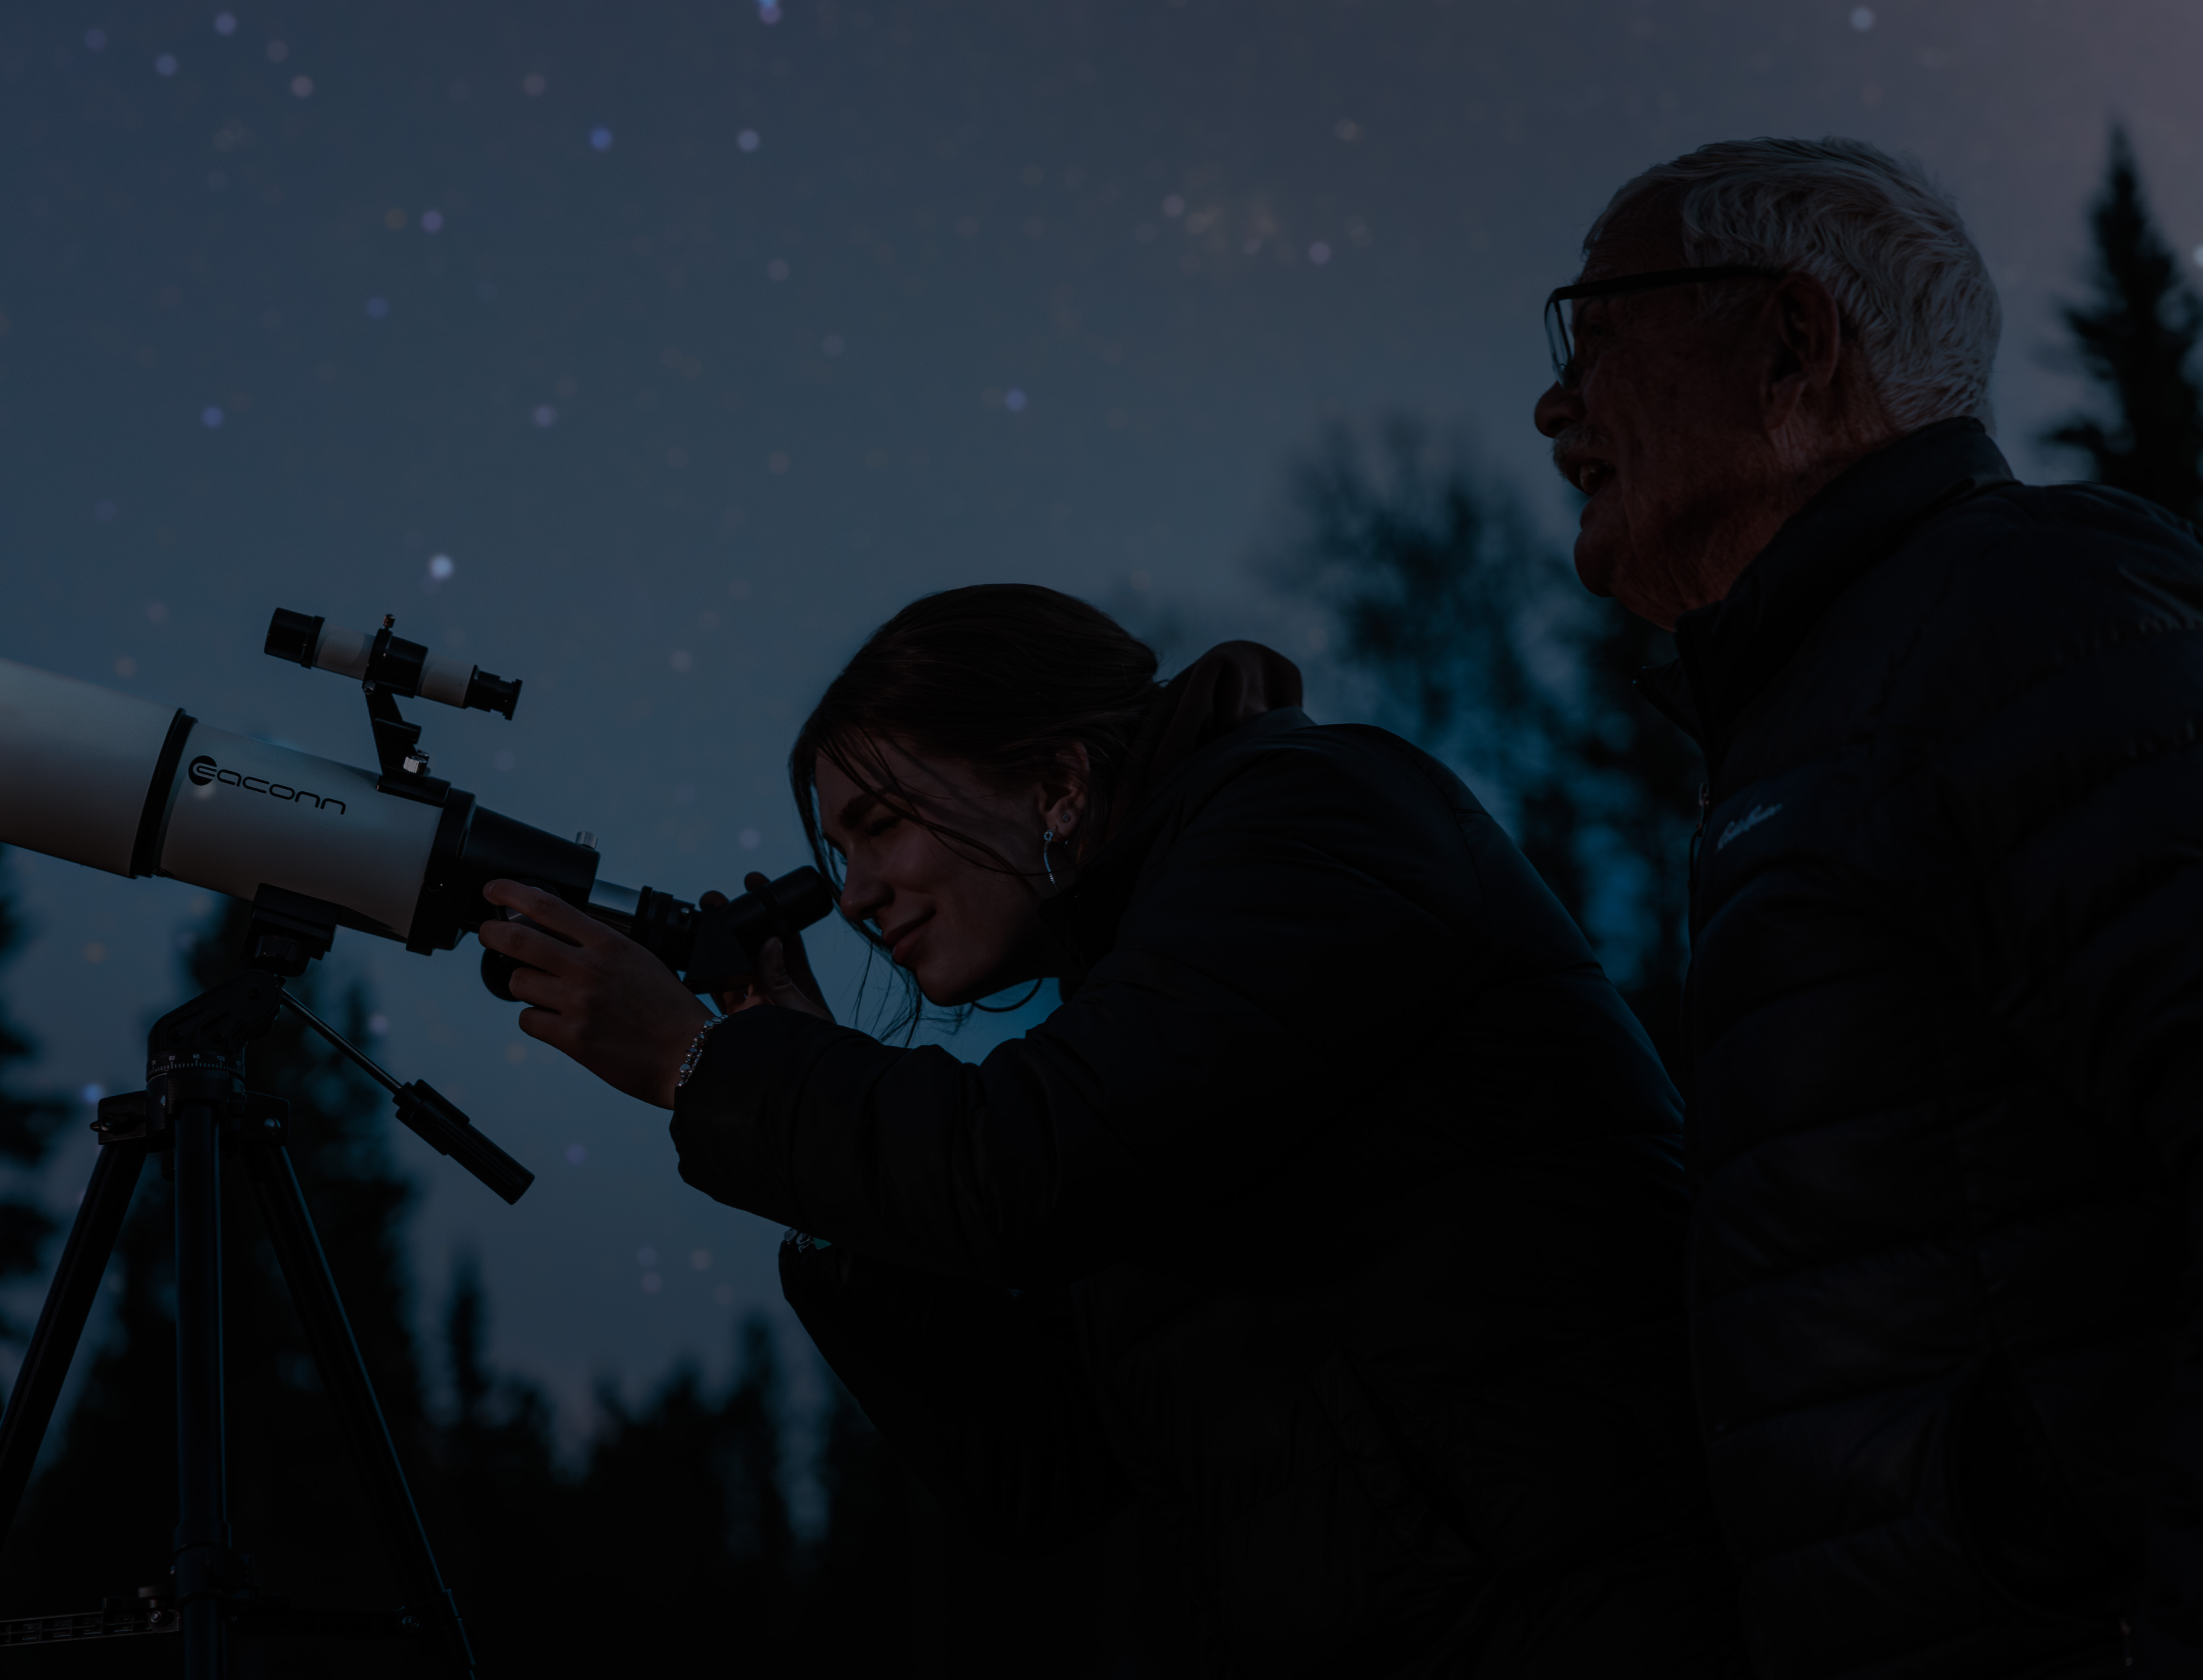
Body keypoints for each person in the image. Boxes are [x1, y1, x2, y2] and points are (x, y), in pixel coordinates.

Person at [479, 584, 1743, 1672]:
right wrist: (806, 1147)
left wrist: (706, 1067)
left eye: (881, 824)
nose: (855, 898)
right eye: (839, 850)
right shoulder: (1144, 1004)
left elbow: (1027, 1162)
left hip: (1586, 1617)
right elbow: (1040, 1464)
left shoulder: (1308, 820)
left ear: (1059, 782)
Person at [1533, 136, 2203, 1677]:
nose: (1557, 402)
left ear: (1789, 342)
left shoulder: (2024, 611)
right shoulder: (1839, 700)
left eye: (1597, 329)